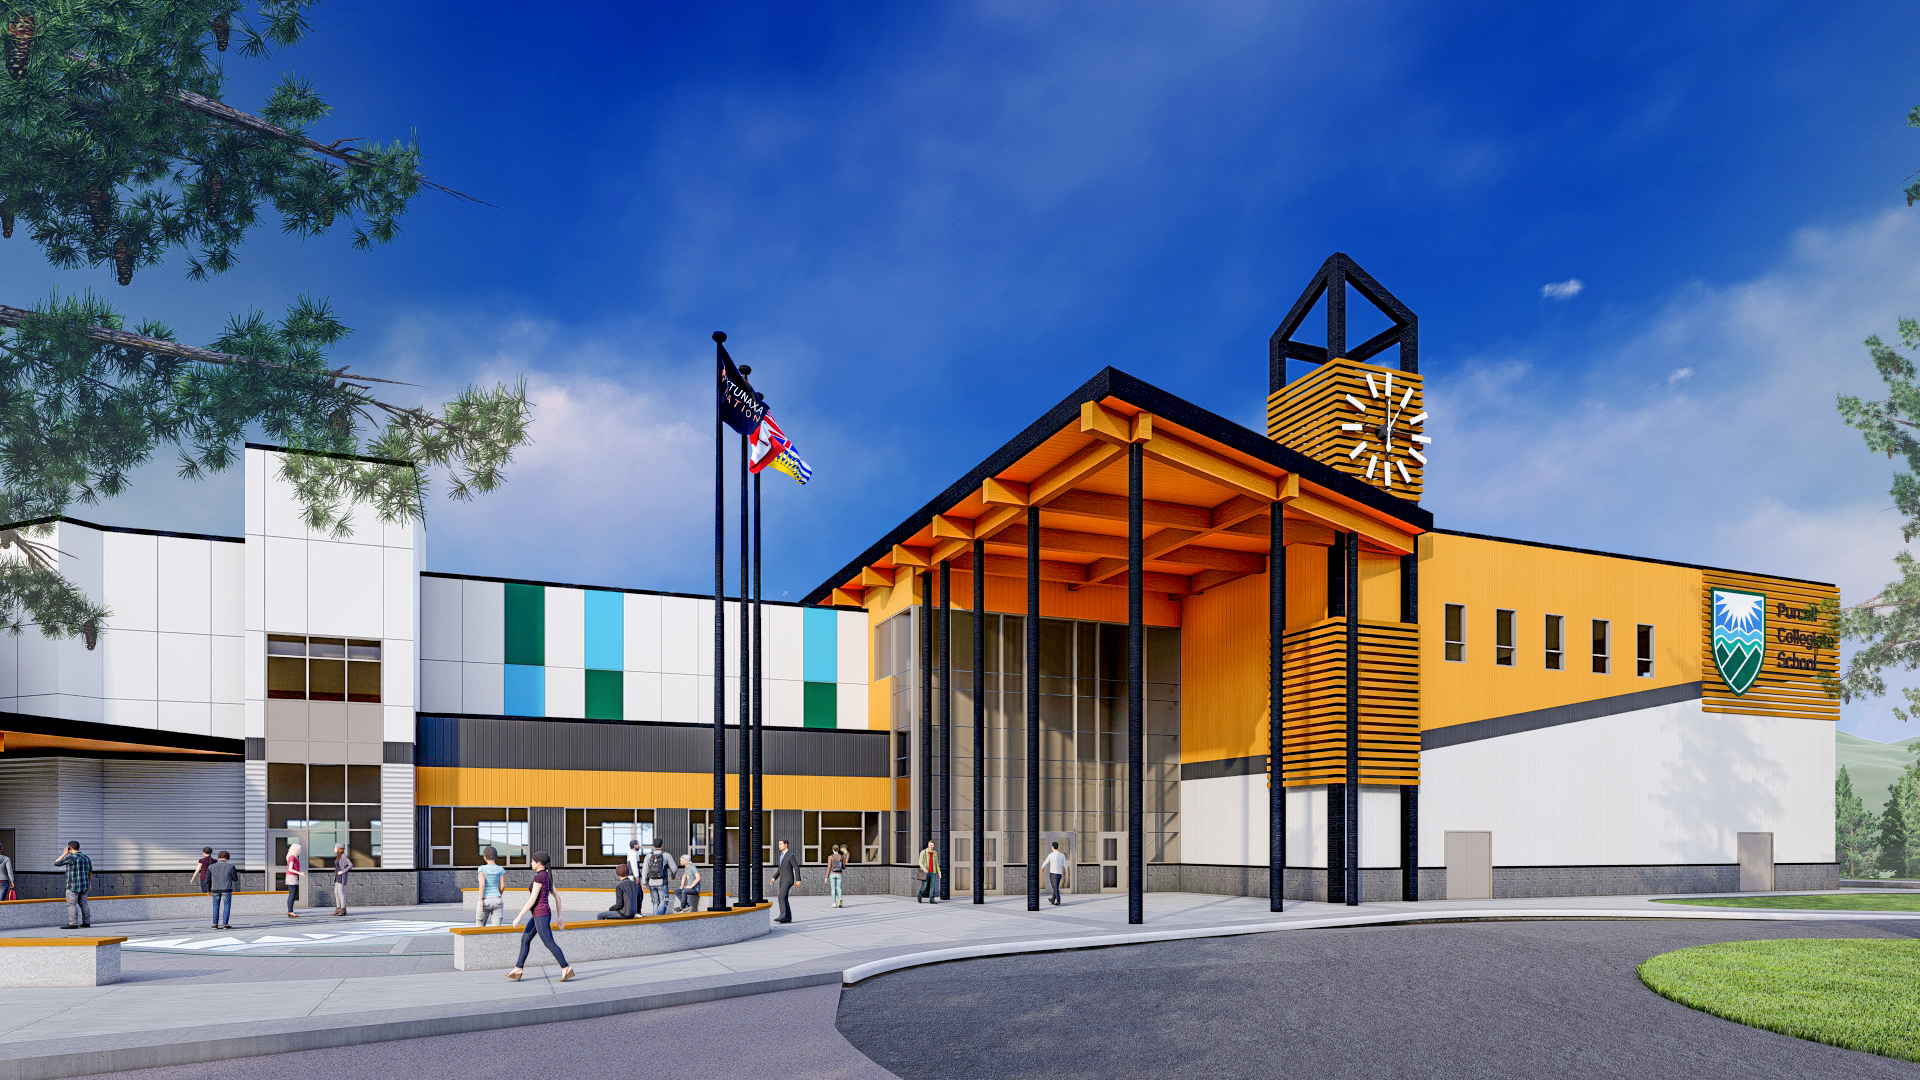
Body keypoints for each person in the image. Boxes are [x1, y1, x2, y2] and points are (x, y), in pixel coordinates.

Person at [506, 850, 574, 982]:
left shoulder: (539, 877)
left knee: (549, 942)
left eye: (532, 861)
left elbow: (532, 900)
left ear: (538, 863)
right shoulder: (546, 877)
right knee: (525, 939)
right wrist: (559, 917)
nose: (531, 863)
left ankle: (566, 968)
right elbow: (558, 898)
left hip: (540, 914)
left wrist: (518, 916)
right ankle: (518, 969)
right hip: (540, 914)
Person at [54, 840, 91, 929]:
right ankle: (86, 922)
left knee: (72, 904)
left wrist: (64, 854)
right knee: (84, 904)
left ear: (70, 848)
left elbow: (56, 863)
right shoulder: (86, 858)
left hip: (73, 886)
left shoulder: (71, 858)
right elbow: (90, 871)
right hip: (85, 885)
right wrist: (90, 884)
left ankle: (73, 923)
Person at [641, 838, 676, 916]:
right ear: (662, 845)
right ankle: (659, 918)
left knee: (655, 902)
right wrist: (673, 875)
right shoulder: (666, 855)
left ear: (653, 845)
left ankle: (655, 919)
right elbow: (674, 868)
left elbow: (644, 870)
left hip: (651, 883)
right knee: (664, 900)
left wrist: (644, 883)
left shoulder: (648, 856)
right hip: (662, 882)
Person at [475, 846, 508, 926]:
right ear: (496, 856)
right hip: (497, 900)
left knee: (479, 928)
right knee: (496, 929)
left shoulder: (482, 869)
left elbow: (482, 884)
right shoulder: (501, 869)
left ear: (485, 856)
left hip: (485, 900)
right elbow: (502, 886)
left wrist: (480, 900)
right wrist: (499, 894)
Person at [770, 838, 799, 924]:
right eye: (779, 844)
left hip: (788, 879)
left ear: (786, 845)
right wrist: (774, 878)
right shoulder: (781, 855)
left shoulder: (790, 856)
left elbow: (796, 868)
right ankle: (788, 917)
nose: (779, 846)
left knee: (781, 897)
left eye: (780, 844)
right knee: (784, 898)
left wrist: (798, 880)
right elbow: (780, 869)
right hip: (782, 879)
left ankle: (782, 915)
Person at [208, 850, 238, 929]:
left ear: (218, 858)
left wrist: (208, 890)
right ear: (227, 858)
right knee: (227, 906)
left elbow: (207, 880)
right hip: (226, 889)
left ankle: (215, 924)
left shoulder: (211, 867)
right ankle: (225, 925)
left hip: (215, 889)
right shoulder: (231, 866)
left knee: (215, 906)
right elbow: (235, 879)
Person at [1042, 841, 1069, 906]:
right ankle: (1052, 899)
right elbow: (1065, 865)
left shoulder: (1050, 855)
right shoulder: (1062, 855)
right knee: (1055, 887)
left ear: (1052, 847)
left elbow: (1045, 862)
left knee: (1055, 887)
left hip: (1053, 874)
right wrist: (1066, 874)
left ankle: (1058, 900)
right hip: (1059, 874)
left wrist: (1042, 868)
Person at [330, 843, 351, 916]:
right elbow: (337, 867)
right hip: (337, 877)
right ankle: (338, 909)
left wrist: (343, 871)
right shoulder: (338, 857)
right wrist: (335, 875)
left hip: (341, 877)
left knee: (340, 893)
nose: (334, 849)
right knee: (336, 892)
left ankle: (343, 909)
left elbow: (351, 865)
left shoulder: (343, 856)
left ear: (339, 849)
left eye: (335, 848)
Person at [824, 844, 847, 908]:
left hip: (832, 874)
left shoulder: (830, 857)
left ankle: (834, 903)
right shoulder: (842, 856)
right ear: (838, 849)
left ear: (832, 849)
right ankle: (840, 898)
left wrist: (826, 877)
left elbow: (829, 867)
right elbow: (843, 866)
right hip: (839, 874)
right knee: (839, 887)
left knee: (833, 888)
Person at [284, 842, 303, 917]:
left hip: (293, 876)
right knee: (292, 894)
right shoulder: (292, 857)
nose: (300, 851)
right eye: (299, 849)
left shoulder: (294, 857)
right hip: (291, 877)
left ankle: (290, 911)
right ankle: (290, 911)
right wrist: (300, 873)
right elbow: (290, 869)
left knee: (293, 894)